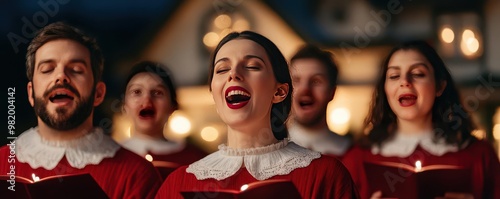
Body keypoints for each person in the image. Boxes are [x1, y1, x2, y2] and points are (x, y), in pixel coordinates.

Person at [155, 31, 359, 199]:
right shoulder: (177, 184)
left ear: (279, 92)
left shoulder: (325, 175)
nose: (233, 74)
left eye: (252, 66)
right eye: (222, 69)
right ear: (214, 94)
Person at [0, 22, 162, 198]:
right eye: (47, 69)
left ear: (98, 93)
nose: (61, 76)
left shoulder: (137, 175)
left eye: (76, 70)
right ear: (31, 94)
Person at [342, 40, 500, 199]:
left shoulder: (479, 155)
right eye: (394, 76)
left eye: (418, 74)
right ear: (385, 89)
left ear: (439, 87)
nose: (405, 82)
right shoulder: (358, 159)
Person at [119, 61, 207, 179]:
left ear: (173, 106)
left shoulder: (196, 160)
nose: (146, 101)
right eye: (137, 92)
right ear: (125, 106)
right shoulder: (111, 158)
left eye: (157, 92)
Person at [287, 44, 352, 159]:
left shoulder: (352, 154)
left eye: (316, 81)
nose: (305, 90)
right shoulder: (269, 151)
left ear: (332, 92)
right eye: (296, 80)